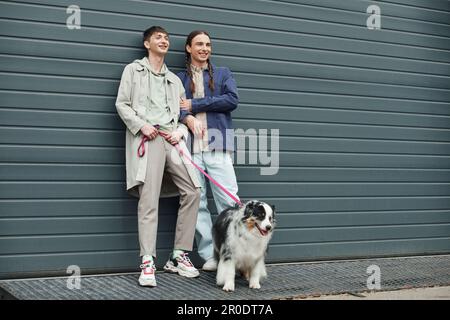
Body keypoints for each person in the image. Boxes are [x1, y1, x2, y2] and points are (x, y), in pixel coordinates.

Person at [115, 26, 201, 287]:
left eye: (166, 38)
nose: (164, 41)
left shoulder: (175, 81)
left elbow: (182, 115)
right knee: (149, 198)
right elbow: (122, 104)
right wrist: (142, 125)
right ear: (147, 43)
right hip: (148, 139)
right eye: (158, 38)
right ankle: (148, 261)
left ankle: (178, 255)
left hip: (171, 140)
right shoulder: (133, 70)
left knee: (194, 190)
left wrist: (181, 129)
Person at [178, 30, 240, 272]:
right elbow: (172, 106)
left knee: (229, 200)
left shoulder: (223, 73)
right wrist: (187, 118)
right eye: (199, 44)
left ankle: (233, 254)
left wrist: (194, 104)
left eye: (208, 44)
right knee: (198, 203)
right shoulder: (180, 78)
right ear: (188, 48)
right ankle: (209, 256)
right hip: (191, 150)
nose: (204, 48)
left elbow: (231, 100)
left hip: (218, 146)